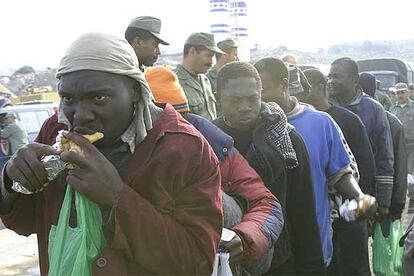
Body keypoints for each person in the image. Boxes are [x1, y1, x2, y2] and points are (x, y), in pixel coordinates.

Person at [0, 33, 223, 275]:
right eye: (68, 98)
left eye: (99, 97)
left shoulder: (183, 149)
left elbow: (197, 262)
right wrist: (11, 183)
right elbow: (27, 220)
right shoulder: (55, 130)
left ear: (136, 92)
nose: (80, 115)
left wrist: (117, 199)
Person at [144, 66, 283, 274]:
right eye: (160, 121)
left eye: (179, 118)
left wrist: (244, 238)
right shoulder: (115, 157)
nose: (173, 129)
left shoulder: (218, 147)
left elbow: (266, 203)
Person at [254, 57, 376, 267]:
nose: (259, 99)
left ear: (284, 85)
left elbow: (340, 172)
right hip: (266, 247)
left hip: (312, 242)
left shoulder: (320, 122)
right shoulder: (253, 124)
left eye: (264, 90)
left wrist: (360, 197)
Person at [214, 61, 326, 275]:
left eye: (252, 99)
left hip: (279, 259)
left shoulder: (287, 139)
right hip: (224, 260)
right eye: (235, 100)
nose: (245, 107)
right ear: (218, 98)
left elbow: (303, 213)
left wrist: (311, 269)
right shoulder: (208, 141)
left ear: (261, 94)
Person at [302, 68, 377, 275]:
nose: (298, 92)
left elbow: (366, 167)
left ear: (318, 86)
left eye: (303, 86)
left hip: (348, 219)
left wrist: (359, 206)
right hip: (317, 222)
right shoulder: (292, 123)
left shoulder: (345, 120)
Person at [328, 57, 394, 222]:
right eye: (329, 77)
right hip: (330, 199)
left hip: (361, 194)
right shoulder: (324, 108)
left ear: (354, 79)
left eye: (337, 77)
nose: (331, 81)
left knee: (355, 244)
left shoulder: (373, 109)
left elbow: (384, 157)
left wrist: (383, 203)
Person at [174, 32, 224, 121]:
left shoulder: (205, 80)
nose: (211, 62)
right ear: (192, 51)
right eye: (209, 56)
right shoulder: (174, 81)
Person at [390, 82, 414, 212]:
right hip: (398, 147)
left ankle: (411, 201)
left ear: (408, 93)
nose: (400, 95)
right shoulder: (393, 109)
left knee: (409, 171)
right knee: (400, 172)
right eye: (398, 93)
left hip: (412, 146)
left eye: (402, 92)